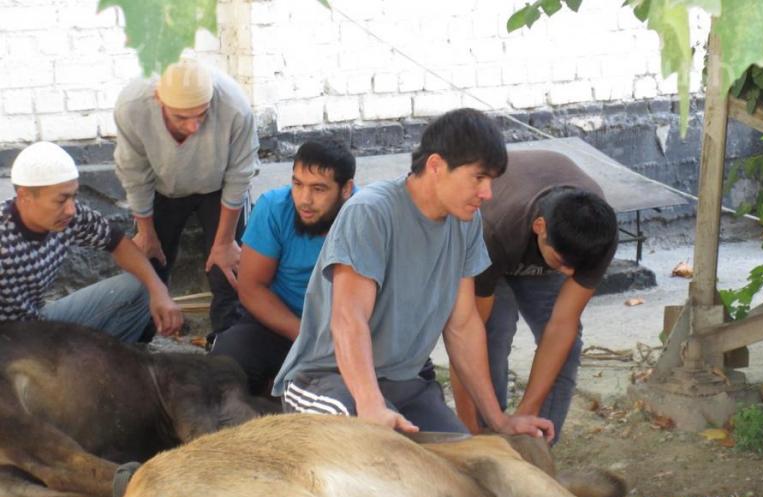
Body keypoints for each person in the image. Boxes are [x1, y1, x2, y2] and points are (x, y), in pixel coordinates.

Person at [272, 109, 554, 440]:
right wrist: (371, 405)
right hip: (326, 379)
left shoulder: (466, 223)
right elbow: (349, 318)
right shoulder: (370, 212)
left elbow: (463, 326)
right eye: (478, 178)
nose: (487, 193)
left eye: (491, 180)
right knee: (378, 449)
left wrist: (498, 420)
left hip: (404, 383)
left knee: (462, 462)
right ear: (436, 166)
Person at [451, 150, 618, 442]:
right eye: (562, 262)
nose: (569, 274)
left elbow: (561, 326)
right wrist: (470, 432)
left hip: (540, 241)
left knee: (567, 347)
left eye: (576, 267)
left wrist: (528, 413)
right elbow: (464, 334)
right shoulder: (492, 231)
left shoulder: (597, 238)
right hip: (496, 245)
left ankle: (537, 445)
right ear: (540, 227)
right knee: (493, 332)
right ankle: (488, 438)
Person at [113, 58, 260, 337]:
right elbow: (134, 175)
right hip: (162, 187)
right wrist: (146, 233)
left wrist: (224, 242)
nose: (193, 127)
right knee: (149, 261)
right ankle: (142, 338)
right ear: (159, 100)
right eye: (181, 117)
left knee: (227, 269)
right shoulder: (132, 107)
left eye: (201, 115)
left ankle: (226, 342)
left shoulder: (235, 107)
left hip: (219, 187)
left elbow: (240, 174)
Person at [210, 138, 355, 395]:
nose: (304, 199)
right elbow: (251, 289)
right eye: (298, 184)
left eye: (319, 189)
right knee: (226, 362)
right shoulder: (274, 208)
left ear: (346, 189)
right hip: (281, 324)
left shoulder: (366, 216)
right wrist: (306, 337)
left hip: (347, 330)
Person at [1, 141, 183, 341]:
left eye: (74, 197)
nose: (71, 209)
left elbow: (118, 242)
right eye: (61, 200)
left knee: (141, 287)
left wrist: (159, 290)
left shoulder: (71, 216)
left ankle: (116, 357)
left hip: (37, 323)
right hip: (8, 342)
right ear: (25, 197)